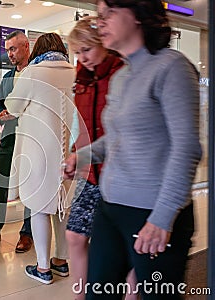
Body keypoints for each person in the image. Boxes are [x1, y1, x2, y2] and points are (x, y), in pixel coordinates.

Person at [64, 0, 202, 299]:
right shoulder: (123, 76)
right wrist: (82, 156)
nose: (100, 23)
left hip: (151, 212)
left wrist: (163, 217)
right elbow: (116, 139)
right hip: (111, 208)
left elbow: (186, 148)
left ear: (138, 15)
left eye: (109, 14)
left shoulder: (171, 67)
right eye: (99, 16)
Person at [65, 17, 138, 300]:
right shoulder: (82, 76)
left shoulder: (123, 73)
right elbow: (81, 121)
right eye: (78, 52)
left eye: (87, 49)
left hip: (119, 173)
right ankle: (79, 296)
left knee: (127, 249)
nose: (82, 58)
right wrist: (76, 152)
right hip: (91, 172)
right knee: (75, 236)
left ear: (103, 44)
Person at [5, 32, 75, 284]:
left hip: (39, 152)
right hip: (68, 154)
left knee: (38, 209)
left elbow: (13, 106)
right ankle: (61, 261)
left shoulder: (33, 73)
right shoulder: (74, 72)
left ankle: (43, 268)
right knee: (61, 209)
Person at [0, 30, 34, 253]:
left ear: (26, 46)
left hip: (32, 138)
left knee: (30, 186)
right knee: (0, 183)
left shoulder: (36, 74)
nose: (10, 55)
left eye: (13, 49)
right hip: (9, 138)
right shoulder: (7, 78)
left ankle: (27, 233)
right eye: (7, 50)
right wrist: (1, 113)